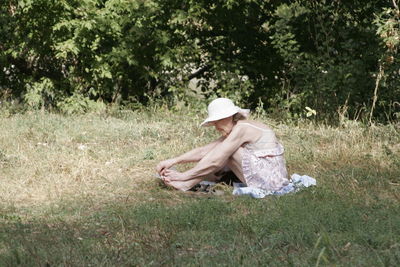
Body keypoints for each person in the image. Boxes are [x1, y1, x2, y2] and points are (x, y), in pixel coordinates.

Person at [156, 98, 289, 192]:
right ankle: (186, 184)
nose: (216, 127)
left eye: (216, 122)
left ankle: (185, 182)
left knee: (226, 153)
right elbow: (204, 151)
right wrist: (174, 160)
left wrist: (184, 175)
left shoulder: (243, 129)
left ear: (227, 117)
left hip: (271, 183)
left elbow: (216, 158)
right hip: (266, 176)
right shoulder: (237, 129)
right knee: (221, 151)